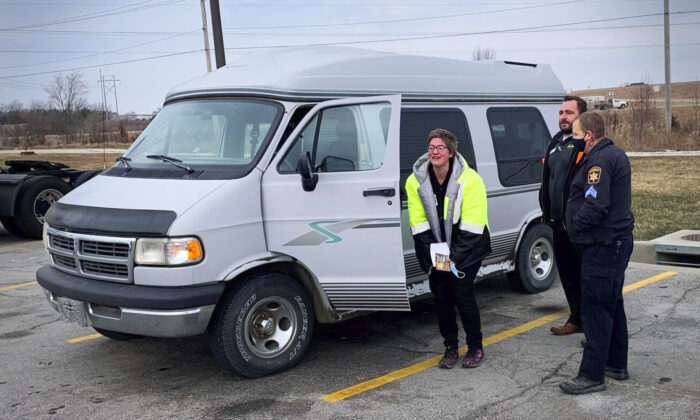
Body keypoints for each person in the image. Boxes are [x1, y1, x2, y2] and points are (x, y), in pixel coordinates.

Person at [559, 112, 635, 394]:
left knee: (595, 311)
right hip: (613, 243)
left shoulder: (600, 160)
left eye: (576, 136)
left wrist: (574, 228)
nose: (574, 141)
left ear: (589, 136)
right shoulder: (612, 153)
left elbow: (595, 204)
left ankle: (591, 375)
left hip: (604, 245)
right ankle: (615, 364)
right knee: (612, 304)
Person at [405, 128, 491, 369]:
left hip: (469, 246)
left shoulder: (470, 179)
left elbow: (473, 226)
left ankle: (476, 347)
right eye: (431, 147)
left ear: (451, 152)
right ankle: (451, 348)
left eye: (440, 147)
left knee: (462, 293)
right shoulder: (415, 181)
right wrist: (439, 258)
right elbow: (419, 225)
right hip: (437, 249)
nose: (434, 152)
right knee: (442, 295)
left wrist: (454, 259)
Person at [540, 95, 587, 336]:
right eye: (560, 113)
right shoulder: (556, 141)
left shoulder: (585, 144)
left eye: (568, 112)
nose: (563, 117)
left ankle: (592, 325)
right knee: (567, 273)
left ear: (581, 116)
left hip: (577, 224)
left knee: (585, 275)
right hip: (557, 222)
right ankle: (576, 318)